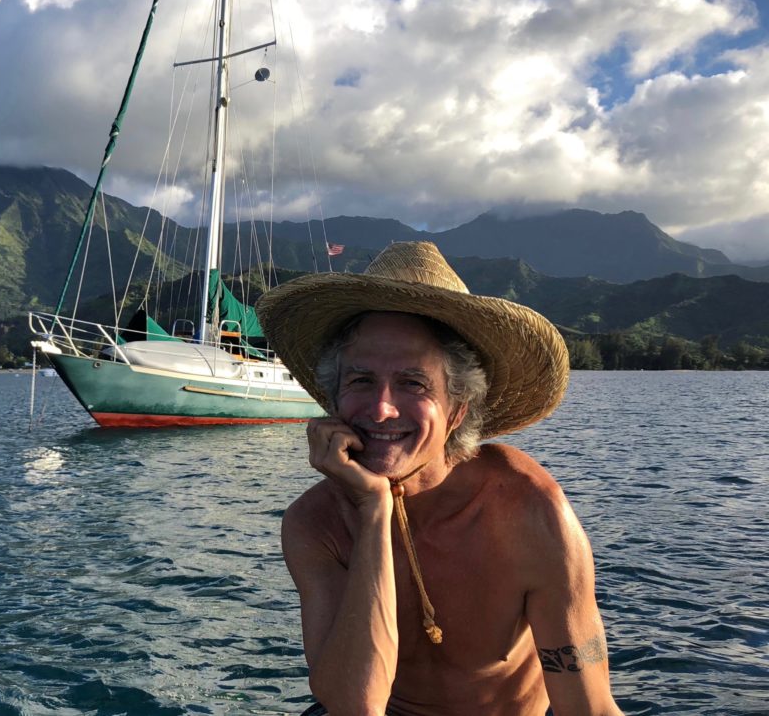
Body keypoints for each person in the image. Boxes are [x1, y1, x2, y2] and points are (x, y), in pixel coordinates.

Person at [255, 242, 623, 716]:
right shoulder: (316, 524)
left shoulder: (524, 508)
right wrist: (373, 511)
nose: (382, 408)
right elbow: (353, 706)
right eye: (361, 381)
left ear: (456, 410)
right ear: (334, 400)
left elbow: (589, 708)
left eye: (413, 383)